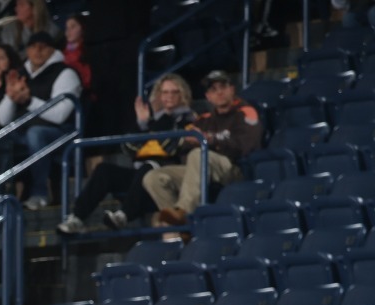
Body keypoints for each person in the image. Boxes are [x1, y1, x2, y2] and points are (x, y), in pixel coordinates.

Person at [58, 73, 195, 232]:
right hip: (140, 178)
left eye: (174, 92)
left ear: (183, 95)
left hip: (165, 180)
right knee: (104, 171)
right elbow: (128, 149)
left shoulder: (189, 119)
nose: (169, 96)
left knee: (150, 166)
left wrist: (156, 122)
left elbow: (169, 147)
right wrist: (142, 124)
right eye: (164, 92)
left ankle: (123, 216)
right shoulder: (150, 120)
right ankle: (76, 218)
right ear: (158, 95)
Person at [142, 70, 262, 226]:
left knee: (199, 153)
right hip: (201, 168)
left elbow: (247, 146)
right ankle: (179, 227)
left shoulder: (245, 112)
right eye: (213, 90)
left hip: (234, 168)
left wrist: (209, 140)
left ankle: (183, 211)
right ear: (208, 97)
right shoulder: (203, 120)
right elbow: (181, 148)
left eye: (223, 87)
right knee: (153, 177)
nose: (219, 92)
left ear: (232, 89)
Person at [0, 31, 82, 205]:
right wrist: (10, 96)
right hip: (25, 132)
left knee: (36, 134)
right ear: (27, 51)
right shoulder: (21, 74)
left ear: (52, 50)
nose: (38, 52)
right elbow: (2, 119)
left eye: (43, 48)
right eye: (33, 48)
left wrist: (28, 100)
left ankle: (40, 193)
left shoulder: (65, 73)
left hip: (61, 133)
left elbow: (60, 115)